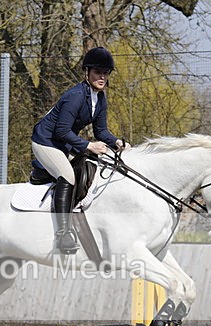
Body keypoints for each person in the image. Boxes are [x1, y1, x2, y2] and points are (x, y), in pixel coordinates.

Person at [31, 46, 126, 254]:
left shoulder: (100, 98)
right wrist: (89, 145)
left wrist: (117, 141)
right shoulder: (75, 96)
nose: (102, 77)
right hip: (46, 141)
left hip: (63, 143)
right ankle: (62, 234)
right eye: (97, 72)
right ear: (87, 72)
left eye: (106, 73)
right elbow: (62, 130)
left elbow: (101, 131)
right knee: (68, 176)